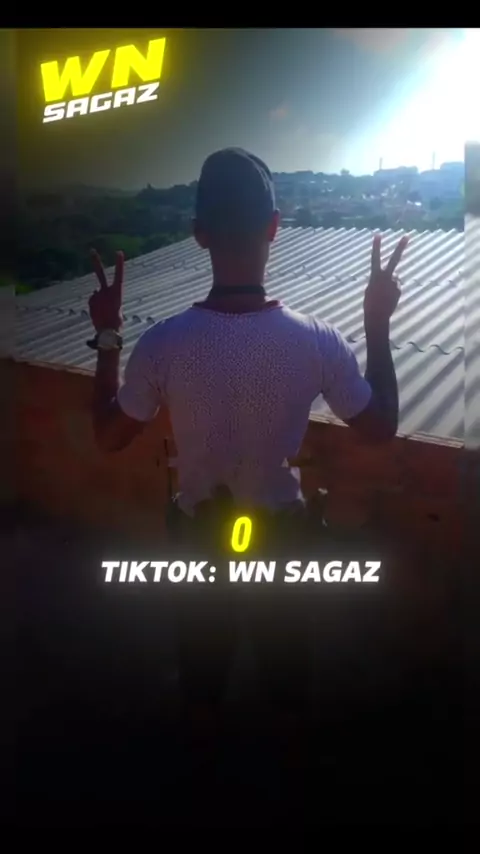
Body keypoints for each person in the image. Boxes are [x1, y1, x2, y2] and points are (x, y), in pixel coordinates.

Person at [87, 147, 408, 741]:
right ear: (275, 227)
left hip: (198, 541)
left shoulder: (162, 344)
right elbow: (380, 425)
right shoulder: (317, 341)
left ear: (199, 234)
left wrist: (108, 334)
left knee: (201, 677)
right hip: (283, 544)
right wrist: (377, 322)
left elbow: (109, 437)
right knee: (288, 679)